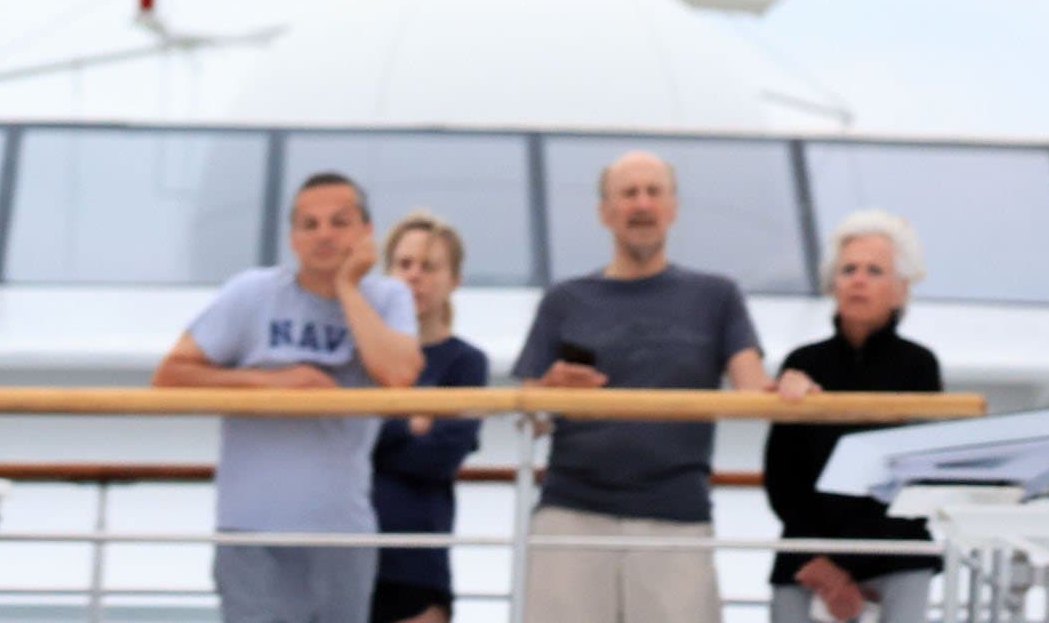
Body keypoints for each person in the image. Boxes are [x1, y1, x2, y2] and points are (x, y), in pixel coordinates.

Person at [153, 172, 424, 623]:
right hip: (251, 530)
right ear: (293, 237)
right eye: (309, 224)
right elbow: (171, 376)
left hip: (342, 532)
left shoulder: (387, 295)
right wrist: (273, 385)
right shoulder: (251, 294)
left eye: (339, 222)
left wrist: (347, 288)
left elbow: (399, 376)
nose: (323, 235)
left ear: (366, 232)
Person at [511, 151, 768, 623]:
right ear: (605, 212)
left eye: (654, 192)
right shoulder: (565, 299)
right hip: (571, 513)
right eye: (628, 194)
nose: (642, 204)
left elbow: (756, 392)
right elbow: (530, 416)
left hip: (677, 516)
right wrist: (550, 389)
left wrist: (793, 383)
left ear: (674, 207)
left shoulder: (717, 297)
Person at [764, 212, 943, 623]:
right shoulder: (802, 366)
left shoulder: (919, 366)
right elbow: (783, 480)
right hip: (808, 552)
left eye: (874, 271)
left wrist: (854, 569)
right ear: (833, 284)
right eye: (849, 270)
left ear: (900, 290)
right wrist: (823, 567)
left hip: (895, 552)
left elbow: (916, 474)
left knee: (912, 571)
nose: (858, 280)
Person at [371, 212, 489, 623]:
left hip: (416, 561)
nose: (414, 276)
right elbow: (343, 437)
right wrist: (412, 421)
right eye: (404, 265)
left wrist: (381, 423)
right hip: (343, 550)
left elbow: (439, 457)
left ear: (454, 279)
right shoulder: (363, 354)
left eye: (429, 266)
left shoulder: (466, 363)